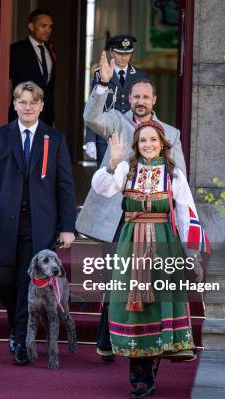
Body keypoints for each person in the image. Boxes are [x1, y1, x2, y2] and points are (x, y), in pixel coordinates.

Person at [77, 51, 187, 362]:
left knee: (147, 285)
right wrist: (102, 84)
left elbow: (180, 181)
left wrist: (184, 225)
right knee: (115, 282)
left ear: (154, 99)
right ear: (130, 97)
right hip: (117, 219)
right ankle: (108, 341)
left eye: (146, 96)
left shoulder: (170, 135)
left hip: (155, 222)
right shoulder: (117, 122)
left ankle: (146, 341)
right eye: (136, 95)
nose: (140, 100)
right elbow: (91, 118)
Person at [91, 121, 209, 398]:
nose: (148, 145)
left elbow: (186, 214)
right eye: (142, 141)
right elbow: (101, 188)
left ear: (163, 143)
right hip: (130, 244)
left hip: (163, 244)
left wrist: (192, 254)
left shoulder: (173, 174)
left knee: (157, 305)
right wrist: (112, 162)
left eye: (152, 140)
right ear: (136, 145)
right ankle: (138, 375)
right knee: (133, 305)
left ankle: (150, 368)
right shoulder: (126, 169)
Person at [0, 81, 76, 365]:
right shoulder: (0, 136)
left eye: (33, 102)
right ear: (14, 104)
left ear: (41, 105)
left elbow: (65, 187)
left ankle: (20, 339)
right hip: (4, 223)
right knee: (3, 278)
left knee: (25, 280)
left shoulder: (54, 139)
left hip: (40, 225)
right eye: (22, 101)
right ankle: (15, 323)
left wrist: (68, 226)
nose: (28, 106)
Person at [85, 35, 147, 167]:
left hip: (133, 134)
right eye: (119, 53)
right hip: (106, 135)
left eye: (127, 53)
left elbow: (146, 107)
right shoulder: (100, 74)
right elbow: (94, 107)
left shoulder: (140, 75)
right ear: (111, 52)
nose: (124, 57)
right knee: (106, 178)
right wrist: (90, 139)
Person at [9, 9, 56, 125]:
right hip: (22, 114)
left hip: (46, 117)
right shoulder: (15, 50)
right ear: (31, 26)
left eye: (50, 27)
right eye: (43, 26)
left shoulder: (51, 50)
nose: (48, 30)